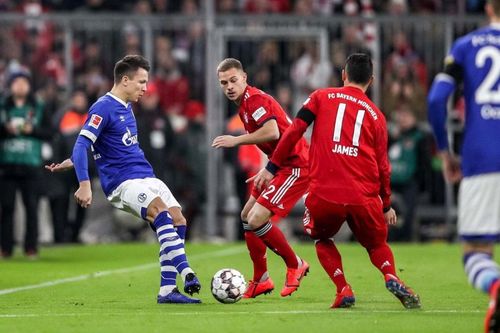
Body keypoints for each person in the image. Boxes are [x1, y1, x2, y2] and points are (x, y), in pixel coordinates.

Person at [252, 53, 421, 309]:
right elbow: (383, 166)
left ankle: (343, 289)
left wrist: (272, 166)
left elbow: (294, 131)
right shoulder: (377, 116)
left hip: (324, 193)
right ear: (371, 81)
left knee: (322, 238)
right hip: (362, 195)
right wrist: (385, 205)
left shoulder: (321, 96)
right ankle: (391, 275)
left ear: (344, 74)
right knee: (376, 244)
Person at [45, 55, 201, 304]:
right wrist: (84, 183)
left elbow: (105, 146)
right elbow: (81, 143)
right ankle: (187, 272)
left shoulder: (127, 107)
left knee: (178, 219)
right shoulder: (103, 107)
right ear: (125, 80)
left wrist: (72, 161)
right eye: (141, 82)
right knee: (159, 212)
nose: (145, 88)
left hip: (145, 175)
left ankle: (168, 290)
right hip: (122, 183)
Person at [427, 1, 500, 331]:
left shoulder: (466, 45)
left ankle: (497, 288)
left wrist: (445, 152)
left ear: (488, 8)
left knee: (475, 252)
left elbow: (434, 101)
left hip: (482, 156)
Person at [212, 58, 310, 298]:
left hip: (296, 165)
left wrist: (235, 140)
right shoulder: (244, 105)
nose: (229, 87)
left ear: (244, 77)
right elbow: (273, 138)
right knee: (246, 215)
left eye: (234, 80)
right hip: (279, 165)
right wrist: (268, 169)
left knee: (256, 219)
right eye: (224, 83)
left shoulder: (254, 100)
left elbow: (272, 131)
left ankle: (294, 263)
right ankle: (261, 279)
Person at [0, 71, 53, 259]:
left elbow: (50, 132)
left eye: (24, 82)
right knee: (6, 208)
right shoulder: (3, 106)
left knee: (32, 207)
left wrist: (33, 131)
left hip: (31, 165)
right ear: (10, 85)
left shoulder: (38, 106)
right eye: (17, 82)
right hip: (7, 165)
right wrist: (5, 130)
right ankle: (5, 248)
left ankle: (31, 247)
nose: (20, 86)